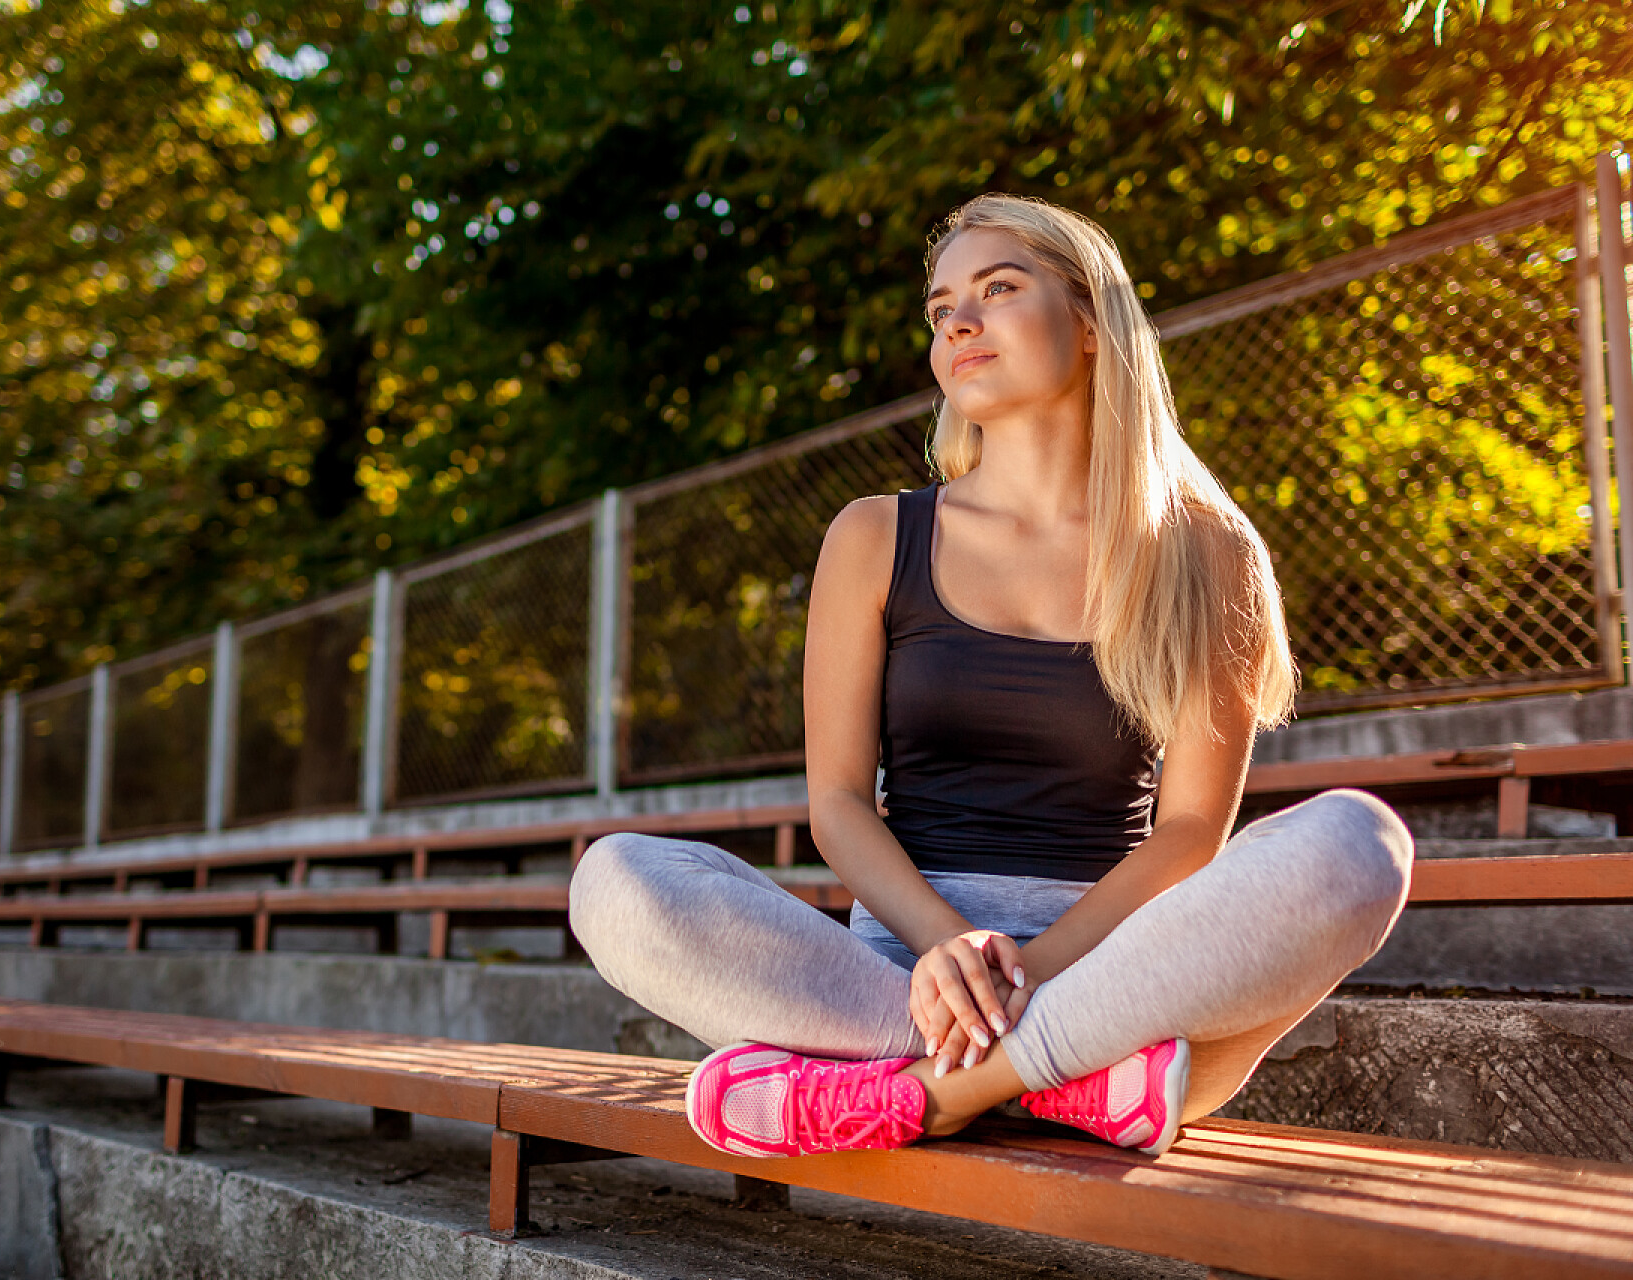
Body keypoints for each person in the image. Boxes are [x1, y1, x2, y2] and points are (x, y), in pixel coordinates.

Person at [569, 194, 1412, 1160]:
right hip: (898, 976)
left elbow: (1188, 832)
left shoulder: (1202, 550)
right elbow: (840, 805)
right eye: (940, 309)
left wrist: (1035, 976)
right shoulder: (875, 536)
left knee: (1361, 844)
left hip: (1122, 978)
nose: (958, 322)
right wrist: (949, 951)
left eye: (997, 289)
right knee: (615, 879)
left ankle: (920, 1094)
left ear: (1091, 324)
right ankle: (1054, 1080)